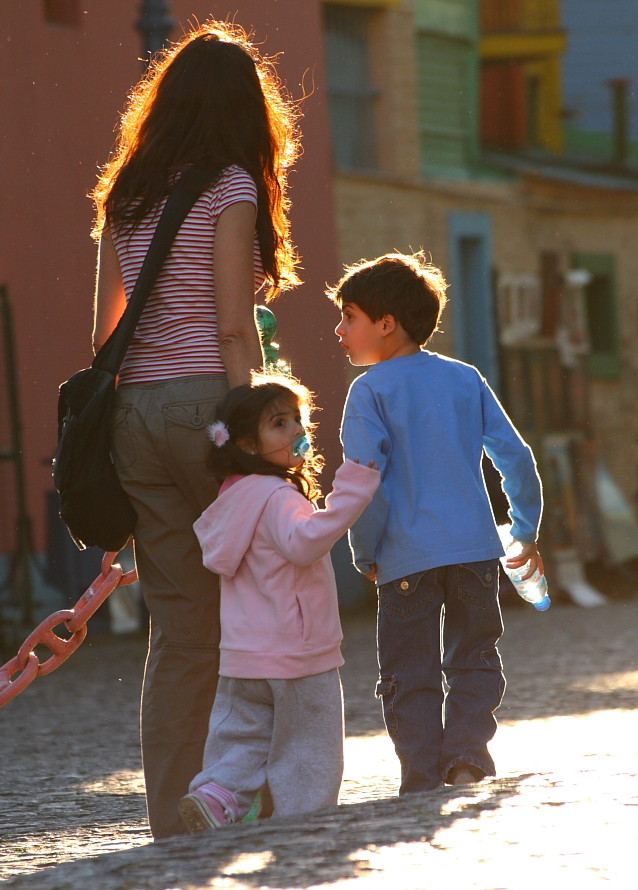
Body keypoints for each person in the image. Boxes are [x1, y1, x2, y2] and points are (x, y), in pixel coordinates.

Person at [90, 21, 301, 839]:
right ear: (248, 110)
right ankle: (263, 793)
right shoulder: (230, 189)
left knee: (180, 625)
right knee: (255, 604)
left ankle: (174, 811)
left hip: (134, 415)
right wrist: (262, 436)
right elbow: (232, 328)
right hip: (206, 407)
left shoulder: (127, 193)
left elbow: (103, 330)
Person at [327, 251, 545, 793]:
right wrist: (525, 528)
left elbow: (365, 478)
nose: (339, 330)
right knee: (475, 657)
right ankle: (467, 756)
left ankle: (422, 777)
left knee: (409, 672)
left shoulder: (369, 391)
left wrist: (363, 551)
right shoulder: (464, 378)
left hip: (405, 556)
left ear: (385, 324)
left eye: (348, 316)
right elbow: (514, 456)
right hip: (474, 551)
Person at [178, 374, 379, 832]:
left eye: (297, 420)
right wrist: (353, 491)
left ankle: (216, 797)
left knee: (241, 740)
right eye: (280, 423)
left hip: (243, 658)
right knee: (309, 746)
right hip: (299, 652)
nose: (296, 432)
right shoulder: (277, 496)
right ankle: (301, 828)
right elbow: (303, 543)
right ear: (248, 444)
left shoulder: (232, 496)